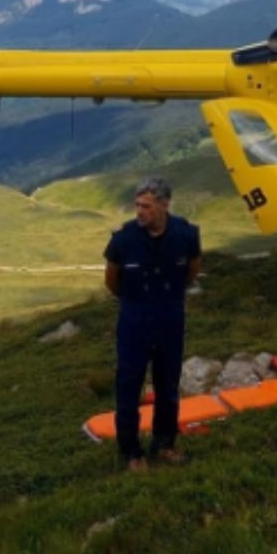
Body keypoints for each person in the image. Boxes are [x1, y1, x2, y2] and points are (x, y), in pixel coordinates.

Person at [103, 178, 202, 471]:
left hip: (170, 319)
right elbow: (112, 280)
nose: (140, 212)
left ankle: (165, 443)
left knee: (168, 384)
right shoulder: (123, 240)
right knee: (129, 385)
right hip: (134, 322)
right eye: (137, 206)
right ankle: (131, 451)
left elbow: (192, 271)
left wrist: (167, 299)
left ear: (163, 204)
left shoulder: (186, 234)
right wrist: (134, 302)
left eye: (146, 206)